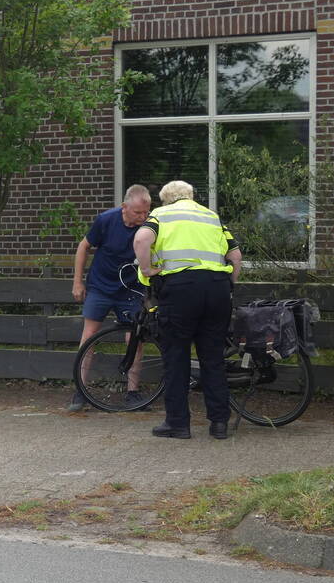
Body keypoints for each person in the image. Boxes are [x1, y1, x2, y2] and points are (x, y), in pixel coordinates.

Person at [133, 180, 242, 440]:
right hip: (216, 290)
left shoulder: (161, 215)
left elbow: (141, 239)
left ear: (166, 199)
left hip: (181, 290)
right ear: (191, 196)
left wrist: (147, 270)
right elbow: (235, 256)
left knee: (176, 356)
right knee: (213, 358)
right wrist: (229, 285)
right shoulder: (211, 216)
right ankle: (219, 424)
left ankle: (178, 424)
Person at [69, 184, 152, 411]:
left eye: (146, 212)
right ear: (124, 207)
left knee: (134, 339)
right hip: (101, 287)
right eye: (138, 213)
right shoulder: (106, 220)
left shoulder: (150, 226)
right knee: (88, 337)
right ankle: (80, 390)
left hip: (131, 289)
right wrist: (78, 281)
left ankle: (133, 392)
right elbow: (83, 246)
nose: (143, 217)